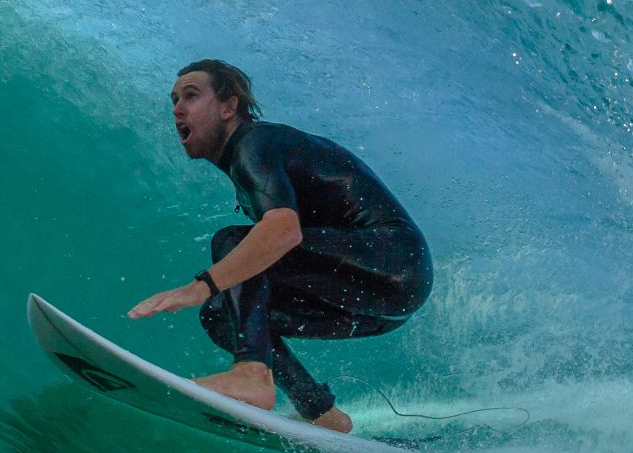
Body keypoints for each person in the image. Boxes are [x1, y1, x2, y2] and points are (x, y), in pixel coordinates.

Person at [128, 59, 433, 434]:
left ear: (229, 106)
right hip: (386, 298)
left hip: (394, 260)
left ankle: (252, 374)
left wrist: (200, 285)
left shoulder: (253, 145)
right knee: (224, 313)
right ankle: (321, 413)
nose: (177, 109)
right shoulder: (253, 155)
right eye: (174, 99)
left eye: (191, 95)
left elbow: (283, 231)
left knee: (232, 243)